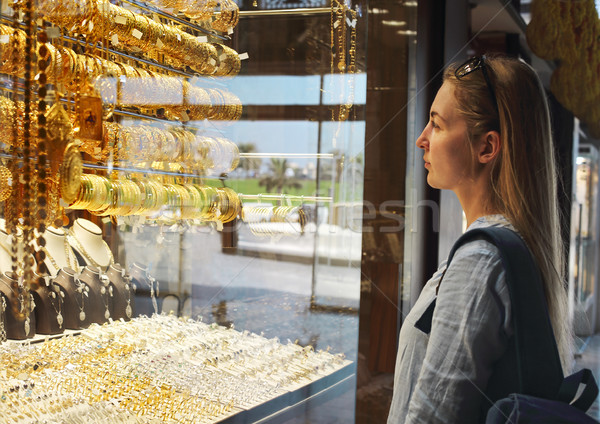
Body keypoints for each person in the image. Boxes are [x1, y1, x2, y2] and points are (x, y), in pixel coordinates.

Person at [387, 55, 573, 423]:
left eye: (437, 125)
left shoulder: (481, 260)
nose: (422, 139)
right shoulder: (505, 244)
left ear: (487, 147)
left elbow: (433, 416)